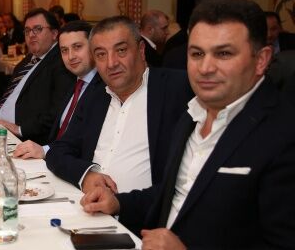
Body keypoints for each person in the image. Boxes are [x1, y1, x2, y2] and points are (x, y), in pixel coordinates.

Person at [82, 0, 295, 250]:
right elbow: (177, 192)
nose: (205, 67)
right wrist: (120, 203)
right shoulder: (192, 116)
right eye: (197, 54)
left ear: (261, 59)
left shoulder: (283, 133)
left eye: (224, 54)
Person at [45, 16, 192, 196]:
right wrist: (86, 175)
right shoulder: (95, 97)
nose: (111, 63)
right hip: (85, 203)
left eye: (121, 50)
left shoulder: (176, 88)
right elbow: (58, 151)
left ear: (141, 50)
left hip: (141, 211)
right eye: (101, 54)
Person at [0, 8, 75, 145]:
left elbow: (57, 112)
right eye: (27, 30)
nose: (31, 35)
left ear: (54, 34)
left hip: (24, 140)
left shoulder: (61, 63)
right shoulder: (30, 59)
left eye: (38, 29)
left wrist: (20, 129)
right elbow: (16, 94)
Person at [13, 20, 101, 159]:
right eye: (64, 50)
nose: (71, 56)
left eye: (77, 47)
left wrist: (45, 150)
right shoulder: (72, 83)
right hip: (53, 157)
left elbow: (84, 143)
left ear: (93, 47)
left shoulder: (104, 89)